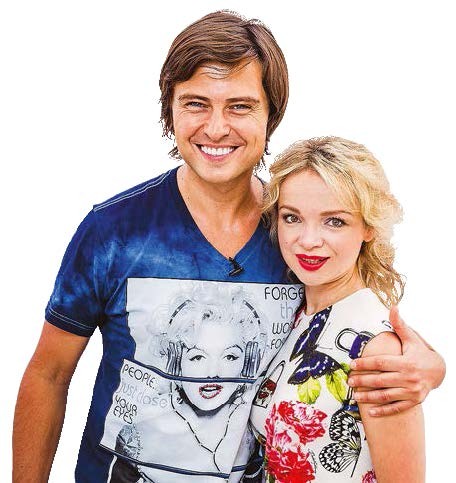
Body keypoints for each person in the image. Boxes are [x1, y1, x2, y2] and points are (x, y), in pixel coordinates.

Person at [13, 11, 443, 483]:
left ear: (270, 115)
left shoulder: (293, 231)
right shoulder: (113, 231)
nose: (216, 128)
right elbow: (49, 374)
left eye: (239, 106)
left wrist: (431, 366)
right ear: (169, 111)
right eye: (196, 104)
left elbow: (350, 322)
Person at [249, 137, 425, 482]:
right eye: (292, 217)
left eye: (335, 222)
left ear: (369, 226)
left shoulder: (378, 349)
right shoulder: (293, 316)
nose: (308, 240)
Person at [109, 284, 268, 482]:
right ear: (176, 361)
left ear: (248, 361)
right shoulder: (137, 439)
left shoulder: (256, 429)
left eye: (230, 357)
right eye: (197, 357)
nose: (213, 373)